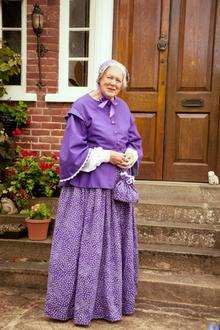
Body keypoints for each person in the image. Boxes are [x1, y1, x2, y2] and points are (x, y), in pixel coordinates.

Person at [44, 59, 143, 326]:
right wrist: (106, 156)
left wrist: (131, 154)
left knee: (110, 252)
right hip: (87, 193)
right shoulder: (82, 107)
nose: (113, 83)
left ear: (123, 85)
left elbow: (134, 140)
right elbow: (71, 152)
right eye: (109, 77)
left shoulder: (123, 108)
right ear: (100, 77)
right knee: (85, 250)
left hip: (115, 193)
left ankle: (110, 303)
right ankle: (75, 306)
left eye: (118, 80)